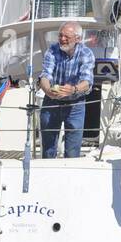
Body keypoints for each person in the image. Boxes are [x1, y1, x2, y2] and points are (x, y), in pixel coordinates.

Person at [39, 22, 95, 158]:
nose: (62, 39)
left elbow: (87, 81)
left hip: (75, 104)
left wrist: (74, 89)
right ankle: (47, 175)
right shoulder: (52, 50)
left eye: (66, 37)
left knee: (72, 152)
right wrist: (47, 90)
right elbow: (45, 75)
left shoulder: (86, 53)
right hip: (52, 102)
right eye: (60, 36)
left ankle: (71, 176)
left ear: (78, 39)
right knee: (48, 149)